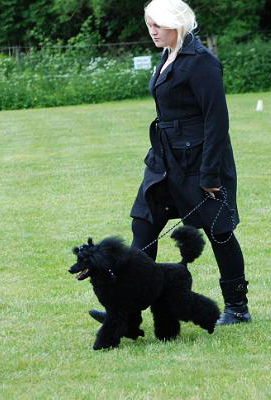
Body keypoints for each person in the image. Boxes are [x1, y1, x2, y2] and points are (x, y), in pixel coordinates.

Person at [90, 0, 250, 326]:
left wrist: (209, 173)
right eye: (149, 24)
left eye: (158, 25)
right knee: (143, 227)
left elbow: (216, 121)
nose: (152, 31)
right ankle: (125, 311)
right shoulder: (167, 57)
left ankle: (237, 307)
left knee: (219, 232)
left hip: (199, 163)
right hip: (164, 161)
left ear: (177, 24)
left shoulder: (202, 62)